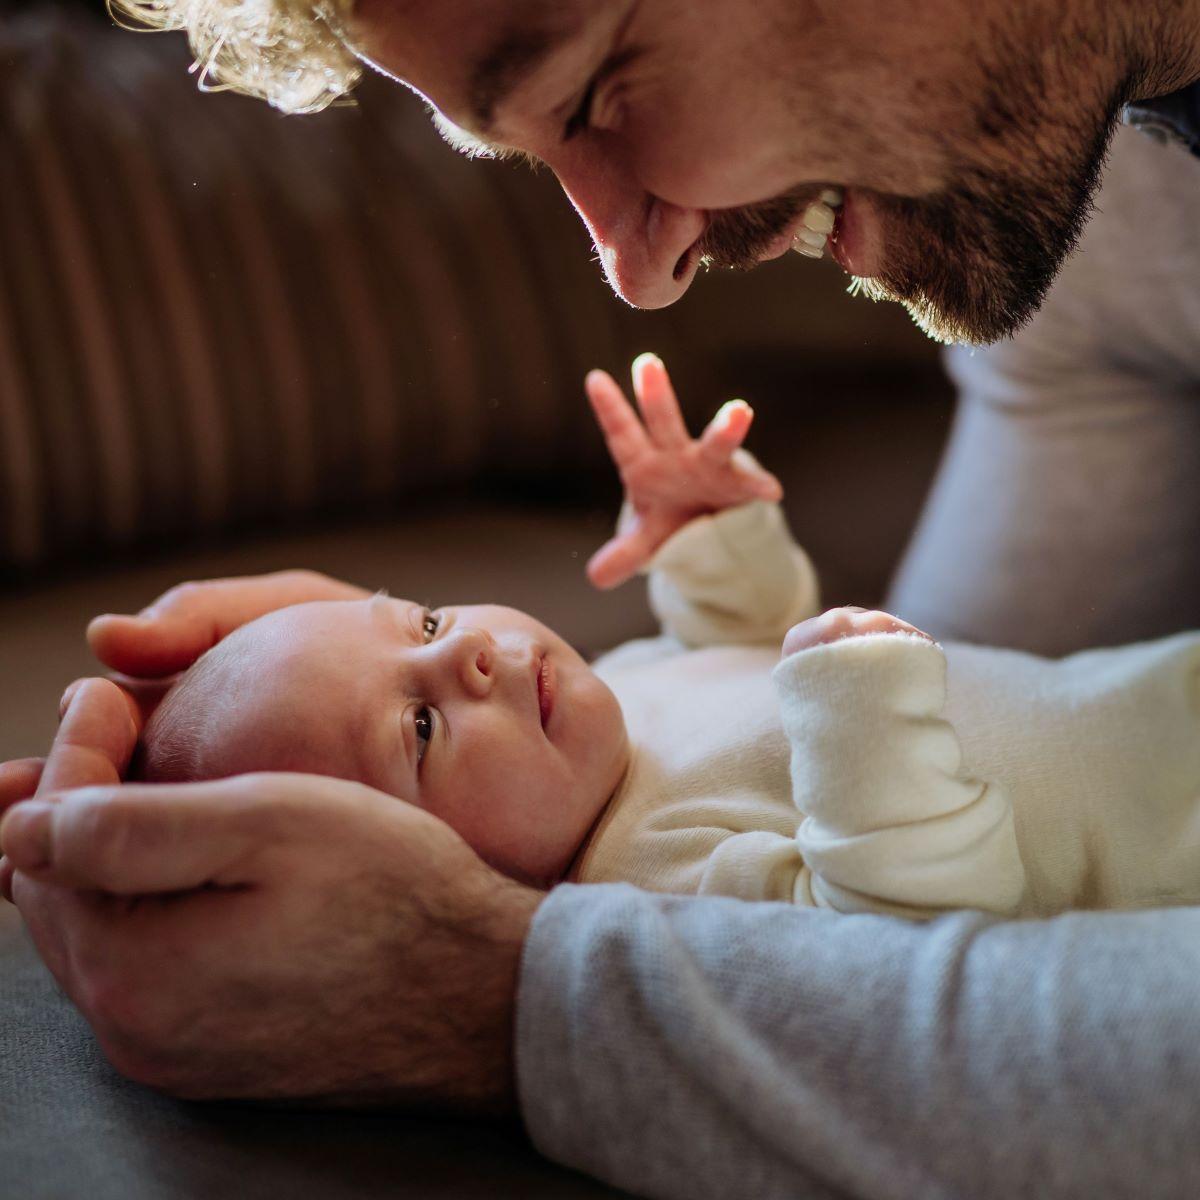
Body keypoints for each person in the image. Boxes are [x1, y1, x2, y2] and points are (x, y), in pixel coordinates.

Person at [5, 1, 1200, 1196]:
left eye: (597, 89)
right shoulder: (661, 885)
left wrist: (476, 987)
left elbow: (769, 671)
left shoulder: (623, 735)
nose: (640, 275)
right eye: (417, 729)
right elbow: (915, 914)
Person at [133, 357, 1200, 922]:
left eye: (426, 621)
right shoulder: (648, 882)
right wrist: (860, 721)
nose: (467, 655)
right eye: (418, 728)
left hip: (1152, 693)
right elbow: (901, 941)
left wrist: (706, 542)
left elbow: (740, 638)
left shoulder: (618, 689)